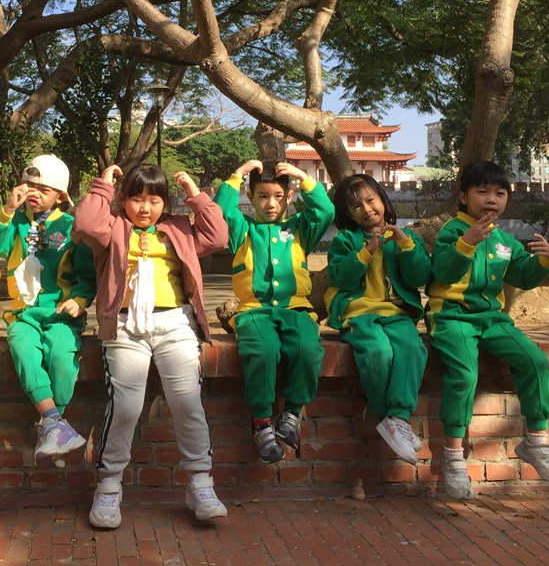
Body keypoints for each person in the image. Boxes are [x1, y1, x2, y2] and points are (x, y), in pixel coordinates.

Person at [73, 164, 229, 529]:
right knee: (126, 406)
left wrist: (195, 194)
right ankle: (109, 485)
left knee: (187, 402)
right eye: (137, 199)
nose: (145, 208)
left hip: (175, 324)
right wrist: (102, 186)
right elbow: (85, 225)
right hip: (125, 326)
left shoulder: (179, 228)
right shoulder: (113, 227)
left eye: (155, 200)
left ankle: (200, 483)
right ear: (123, 199)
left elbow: (218, 236)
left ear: (166, 203)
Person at [427, 160, 549, 499]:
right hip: (453, 317)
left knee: (535, 360)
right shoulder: (452, 231)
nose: (492, 199)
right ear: (464, 196)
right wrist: (467, 242)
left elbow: (522, 275)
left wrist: (546, 260)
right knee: (465, 374)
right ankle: (453, 457)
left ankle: (536, 441)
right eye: (483, 191)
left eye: (500, 193)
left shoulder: (505, 240)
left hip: (493, 319)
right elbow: (443, 272)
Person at [214, 160, 335, 463]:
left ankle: (292, 412)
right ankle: (261, 421)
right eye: (263, 196)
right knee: (263, 350)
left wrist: (302, 177)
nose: (271, 204)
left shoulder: (299, 229)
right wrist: (237, 174)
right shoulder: (243, 230)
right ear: (250, 197)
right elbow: (220, 212)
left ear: (290, 196)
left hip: (296, 309)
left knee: (308, 348)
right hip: (254, 312)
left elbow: (325, 211)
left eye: (279, 196)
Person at [0, 155, 96, 463]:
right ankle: (56, 424)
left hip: (61, 315)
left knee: (61, 357)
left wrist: (80, 301)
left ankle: (53, 426)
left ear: (60, 196)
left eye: (44, 190)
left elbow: (86, 275)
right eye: (30, 186)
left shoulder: (72, 227)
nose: (34, 194)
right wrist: (7, 209)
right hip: (23, 315)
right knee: (24, 350)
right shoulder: (15, 222)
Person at [324, 174, 430, 464]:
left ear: (383, 199)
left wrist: (406, 245)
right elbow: (341, 278)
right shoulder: (346, 240)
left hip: (396, 313)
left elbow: (420, 276)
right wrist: (367, 250)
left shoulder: (405, 238)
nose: (367, 209)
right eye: (356, 206)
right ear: (349, 214)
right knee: (378, 351)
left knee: (413, 347)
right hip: (358, 313)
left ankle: (397, 417)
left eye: (371, 200)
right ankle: (392, 420)